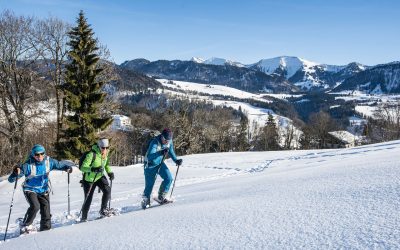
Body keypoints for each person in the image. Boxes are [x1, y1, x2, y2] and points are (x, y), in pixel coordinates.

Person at [8, 144, 73, 233]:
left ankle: (45, 229)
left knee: (46, 210)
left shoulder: (49, 162)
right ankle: (26, 225)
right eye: (37, 154)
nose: (40, 156)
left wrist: (67, 168)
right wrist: (15, 173)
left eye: (42, 154)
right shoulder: (27, 165)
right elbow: (11, 179)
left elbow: (59, 165)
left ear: (44, 153)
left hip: (43, 189)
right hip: (30, 189)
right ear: (33, 155)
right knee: (35, 206)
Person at [141, 128, 183, 209]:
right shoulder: (155, 142)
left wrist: (176, 160)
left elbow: (171, 151)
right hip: (150, 165)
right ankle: (145, 200)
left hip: (160, 163)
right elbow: (149, 156)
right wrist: (160, 152)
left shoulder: (169, 141)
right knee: (149, 185)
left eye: (169, 140)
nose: (167, 141)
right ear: (161, 136)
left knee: (169, 179)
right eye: (165, 139)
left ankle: (161, 196)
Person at [79, 138, 114, 221]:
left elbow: (106, 165)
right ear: (99, 147)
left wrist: (110, 172)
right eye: (103, 148)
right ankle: (84, 218)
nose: (105, 149)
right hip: (89, 179)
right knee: (88, 199)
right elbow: (83, 167)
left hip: (99, 177)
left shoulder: (106, 154)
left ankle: (103, 210)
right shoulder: (91, 154)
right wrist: (92, 169)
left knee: (107, 190)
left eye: (107, 147)